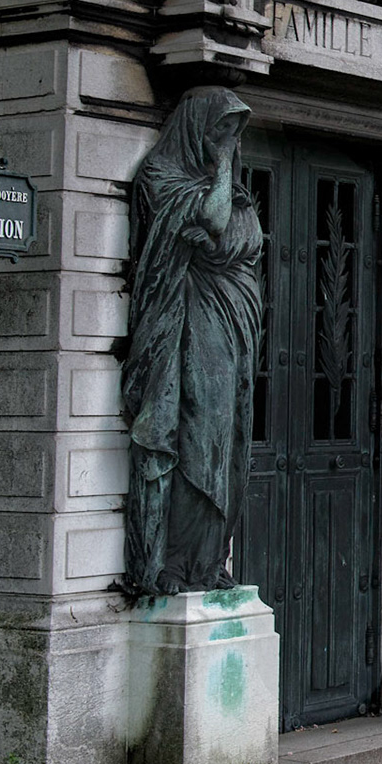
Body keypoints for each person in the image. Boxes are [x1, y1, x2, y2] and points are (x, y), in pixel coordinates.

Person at [120, 87, 264, 596]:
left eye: (234, 133)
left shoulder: (233, 193)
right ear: (197, 126)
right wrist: (222, 168)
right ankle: (173, 560)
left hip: (235, 331)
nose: (229, 141)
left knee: (227, 440)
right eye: (222, 129)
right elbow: (214, 220)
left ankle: (207, 561)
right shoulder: (164, 179)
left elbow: (230, 234)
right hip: (189, 326)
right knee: (193, 433)